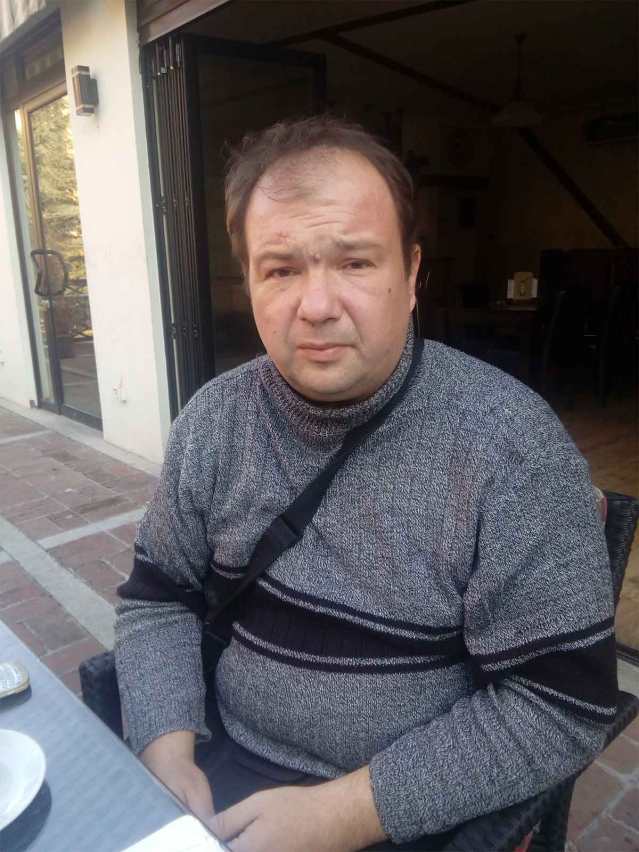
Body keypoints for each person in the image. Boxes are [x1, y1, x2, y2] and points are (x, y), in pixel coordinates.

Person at [115, 116, 617, 852]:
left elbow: (562, 703)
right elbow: (158, 599)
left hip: (404, 811)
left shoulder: (508, 446)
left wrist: (343, 813)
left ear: (411, 276)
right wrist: (166, 748)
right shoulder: (214, 421)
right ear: (249, 282)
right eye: (280, 269)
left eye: (354, 262)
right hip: (220, 772)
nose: (316, 305)